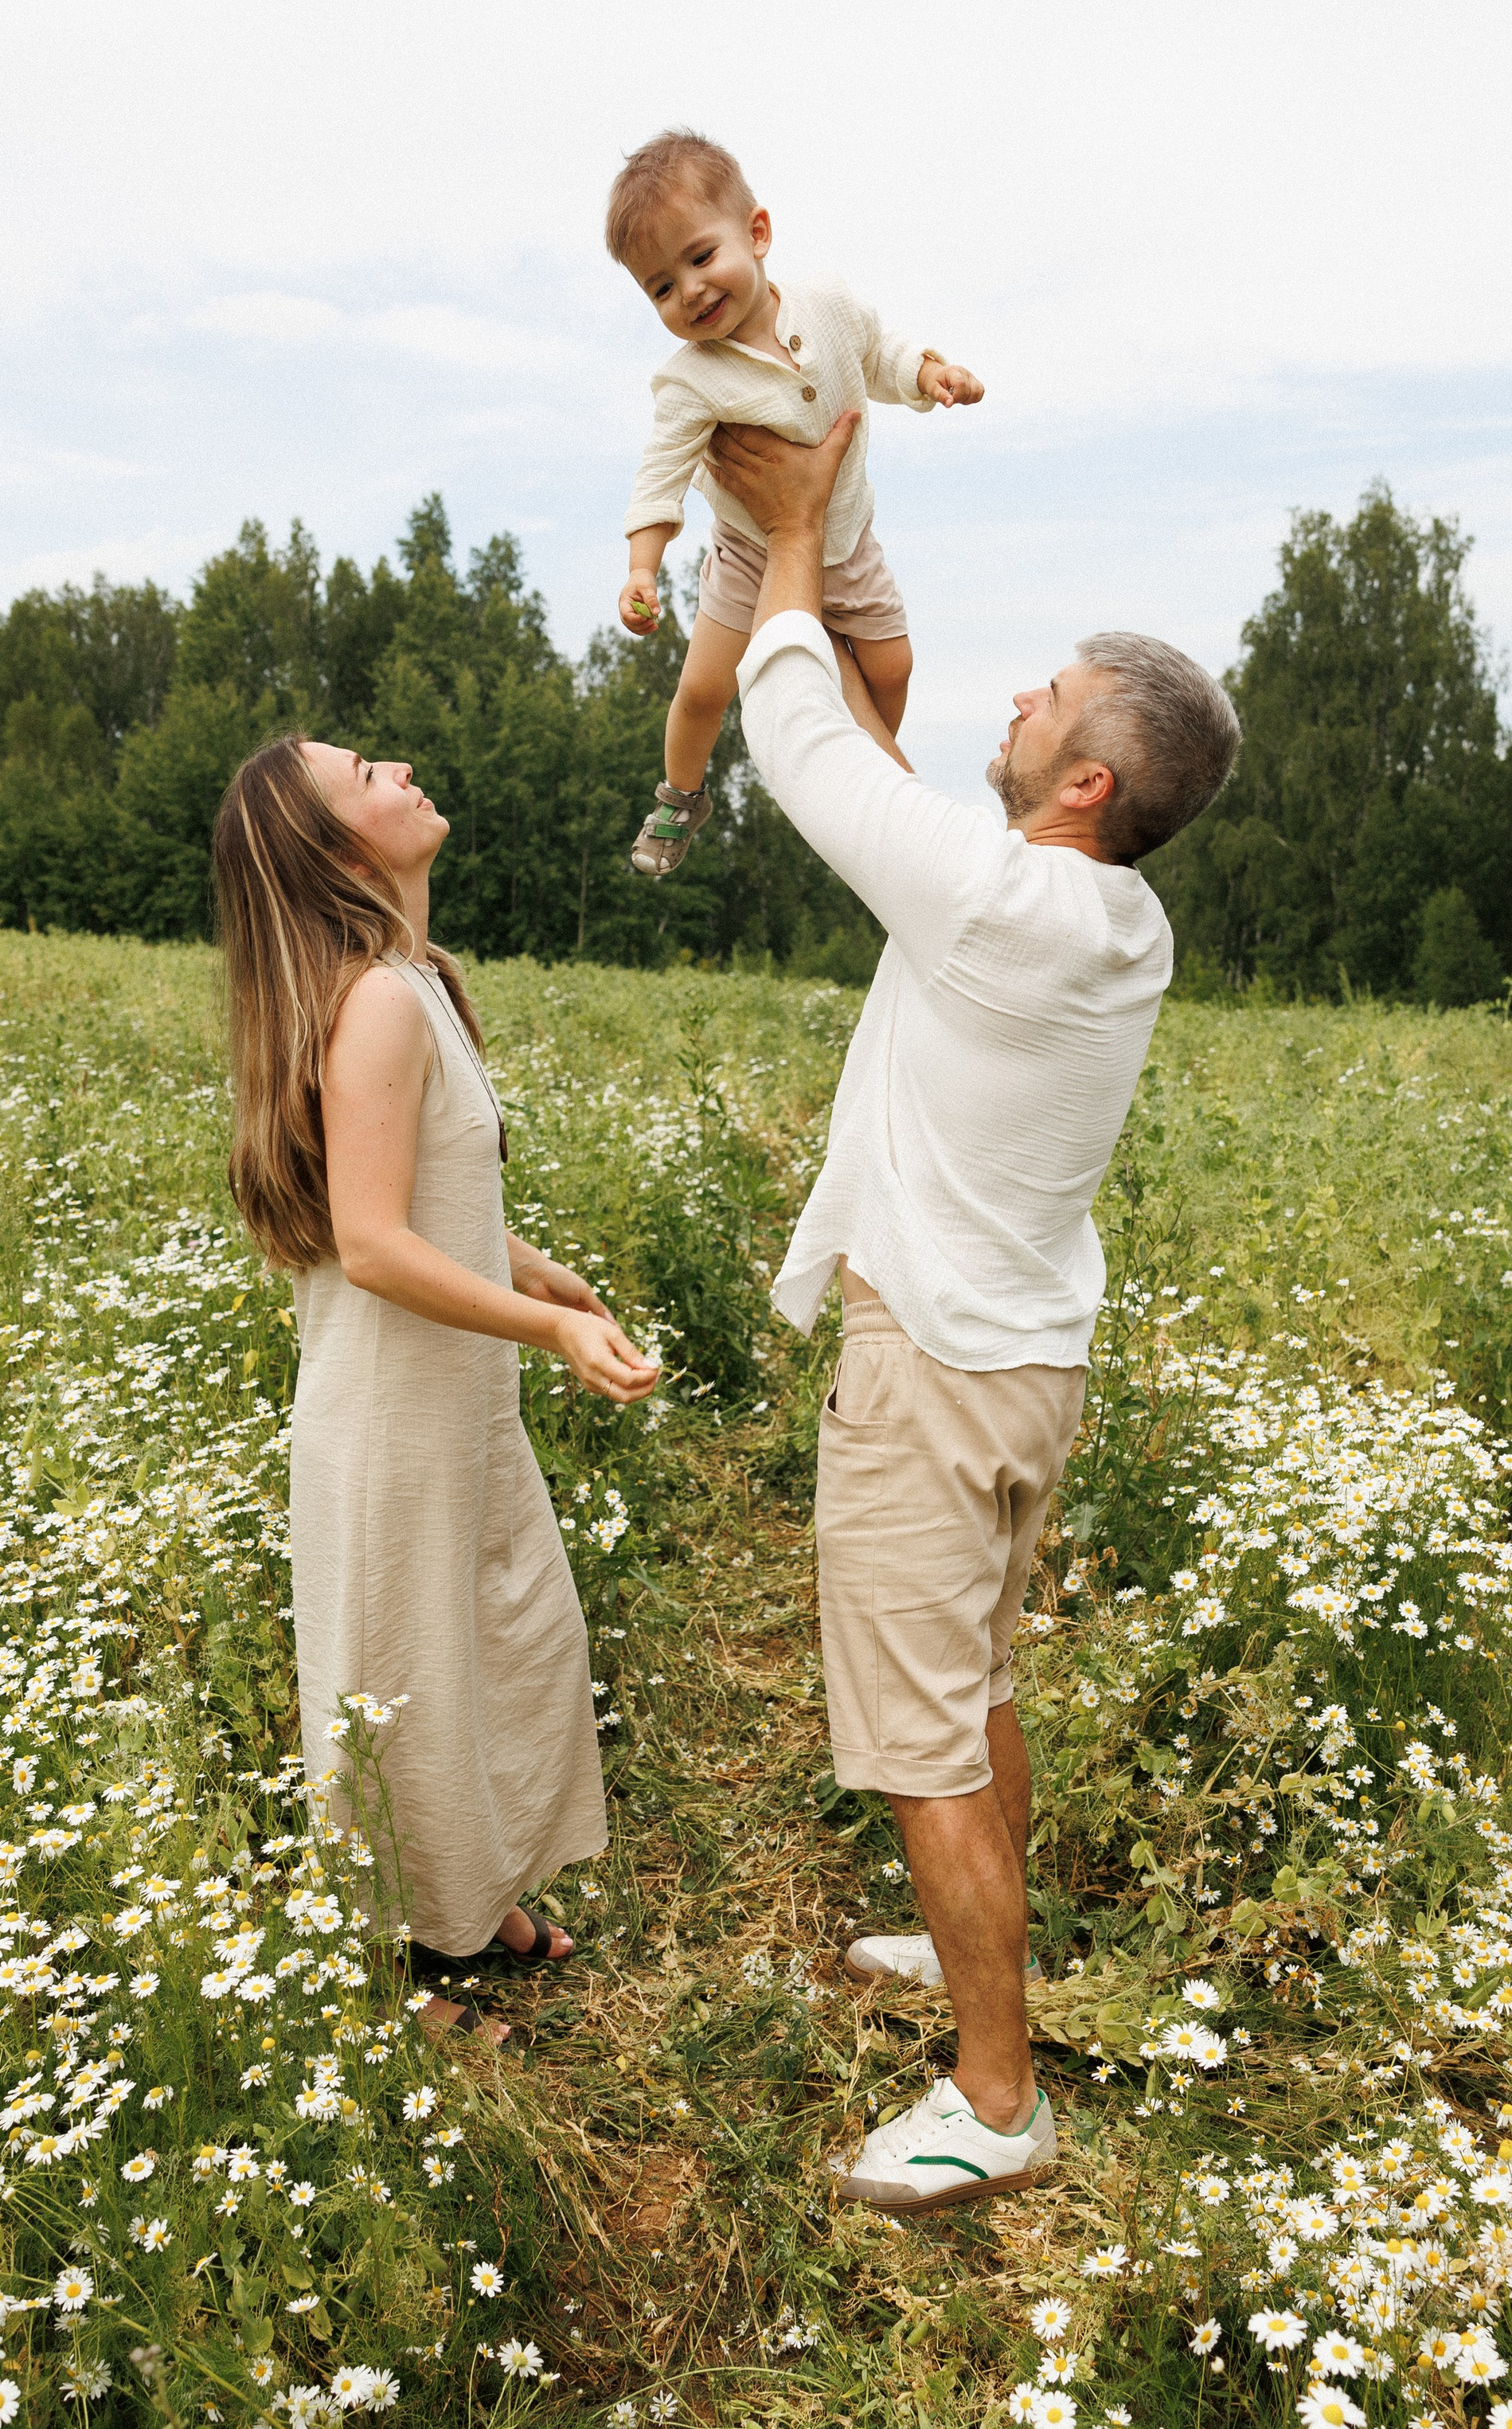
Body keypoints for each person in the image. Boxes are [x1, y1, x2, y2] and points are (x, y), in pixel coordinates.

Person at [713, 409, 1240, 2212]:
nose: (1014, 701)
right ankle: (972, 1954)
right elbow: (893, 800)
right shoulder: (1101, 923)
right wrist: (840, 575)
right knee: (983, 1676)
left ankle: (994, 2096)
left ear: (1085, 780)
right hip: (1019, 1365)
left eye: (1045, 698)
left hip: (933, 1373)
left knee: (922, 1730)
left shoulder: (1002, 907)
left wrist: (787, 528)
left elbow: (796, 745)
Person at [213, 736, 658, 2041]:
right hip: (395, 1418)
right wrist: (547, 1331)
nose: (403, 765)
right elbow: (370, 1245)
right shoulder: (381, 1006)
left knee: (490, 1647)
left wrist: (546, 1276)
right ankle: (393, 1988)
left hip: (448, 1402)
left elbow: (428, 1210)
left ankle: (466, 1903)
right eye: (366, 773)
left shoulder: (416, 982)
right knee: (402, 1679)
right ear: (338, 850)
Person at [606, 126, 983, 878]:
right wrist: (642, 567)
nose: (690, 292)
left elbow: (880, 354)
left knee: (894, 664)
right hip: (752, 556)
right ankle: (679, 798)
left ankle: (854, 777)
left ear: (758, 232)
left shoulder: (830, 304)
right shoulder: (690, 381)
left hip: (848, 539)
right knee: (705, 689)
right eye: (661, 287)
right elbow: (662, 473)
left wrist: (930, 374)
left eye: (701, 257)